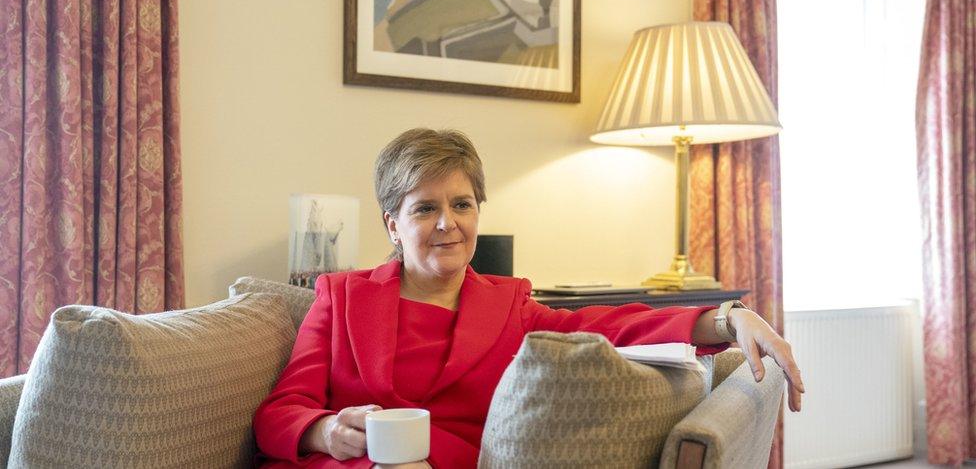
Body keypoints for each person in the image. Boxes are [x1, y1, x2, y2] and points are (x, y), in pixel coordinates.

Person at [254, 128, 804, 468]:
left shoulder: (509, 305)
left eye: (463, 204)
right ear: (392, 224)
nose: (448, 223)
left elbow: (610, 325)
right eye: (425, 208)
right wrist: (325, 431)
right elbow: (281, 412)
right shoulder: (342, 296)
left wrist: (729, 319)